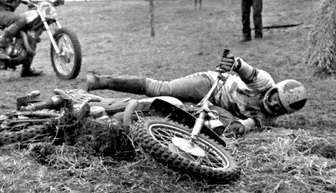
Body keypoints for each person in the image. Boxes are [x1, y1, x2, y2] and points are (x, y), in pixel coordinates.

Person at [84, 52, 307, 136]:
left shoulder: (268, 119)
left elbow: (245, 126)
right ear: (275, 89)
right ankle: (101, 81)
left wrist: (244, 126)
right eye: (275, 97)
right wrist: (234, 63)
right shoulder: (265, 82)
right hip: (210, 84)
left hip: (215, 108)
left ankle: (117, 113)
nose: (273, 103)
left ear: (283, 113)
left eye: (279, 107)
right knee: (162, 89)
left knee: (166, 107)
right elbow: (245, 69)